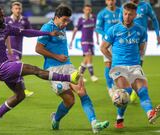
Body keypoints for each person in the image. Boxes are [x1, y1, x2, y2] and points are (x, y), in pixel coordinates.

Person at [36, 5, 109, 133]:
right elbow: (38, 48)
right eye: (64, 20)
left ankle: (94, 123)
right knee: (70, 101)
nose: (65, 24)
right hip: (53, 69)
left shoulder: (62, 28)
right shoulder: (47, 28)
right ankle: (56, 119)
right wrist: (56, 56)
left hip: (68, 66)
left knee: (81, 90)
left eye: (67, 21)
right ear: (56, 17)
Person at [100, 2, 160, 129]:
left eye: (130, 14)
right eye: (125, 14)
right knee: (126, 92)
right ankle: (120, 118)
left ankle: (150, 113)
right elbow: (103, 48)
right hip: (118, 67)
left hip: (135, 66)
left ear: (135, 15)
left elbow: (141, 49)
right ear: (122, 14)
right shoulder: (114, 29)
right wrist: (114, 60)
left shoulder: (140, 31)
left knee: (143, 91)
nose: (127, 16)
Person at [120, 0, 160, 103]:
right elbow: (120, 21)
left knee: (138, 63)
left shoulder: (146, 5)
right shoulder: (125, 6)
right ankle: (127, 87)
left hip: (142, 39)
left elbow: (154, 19)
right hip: (127, 38)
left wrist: (157, 35)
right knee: (126, 63)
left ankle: (134, 89)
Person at [5, 1, 34, 97]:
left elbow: (30, 32)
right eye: (16, 8)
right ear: (12, 10)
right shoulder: (6, 20)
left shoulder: (25, 20)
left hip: (19, 49)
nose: (18, 10)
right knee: (19, 68)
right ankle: (23, 90)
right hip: (9, 49)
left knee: (13, 71)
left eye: (19, 8)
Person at [95, 0, 120, 95]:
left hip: (119, 42)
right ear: (106, 1)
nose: (111, 1)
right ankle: (110, 87)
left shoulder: (121, 11)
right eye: (109, 0)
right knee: (108, 64)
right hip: (107, 43)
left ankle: (117, 85)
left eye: (113, 0)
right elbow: (98, 28)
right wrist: (107, 35)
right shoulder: (102, 13)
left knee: (119, 64)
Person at [69, 4, 99, 83]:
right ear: (84, 10)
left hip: (91, 41)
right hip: (84, 41)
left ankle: (79, 74)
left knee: (87, 58)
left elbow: (96, 29)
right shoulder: (81, 19)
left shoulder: (94, 18)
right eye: (86, 9)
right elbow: (75, 29)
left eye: (89, 9)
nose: (88, 11)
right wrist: (72, 41)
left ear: (91, 10)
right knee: (88, 55)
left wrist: (98, 39)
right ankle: (92, 75)